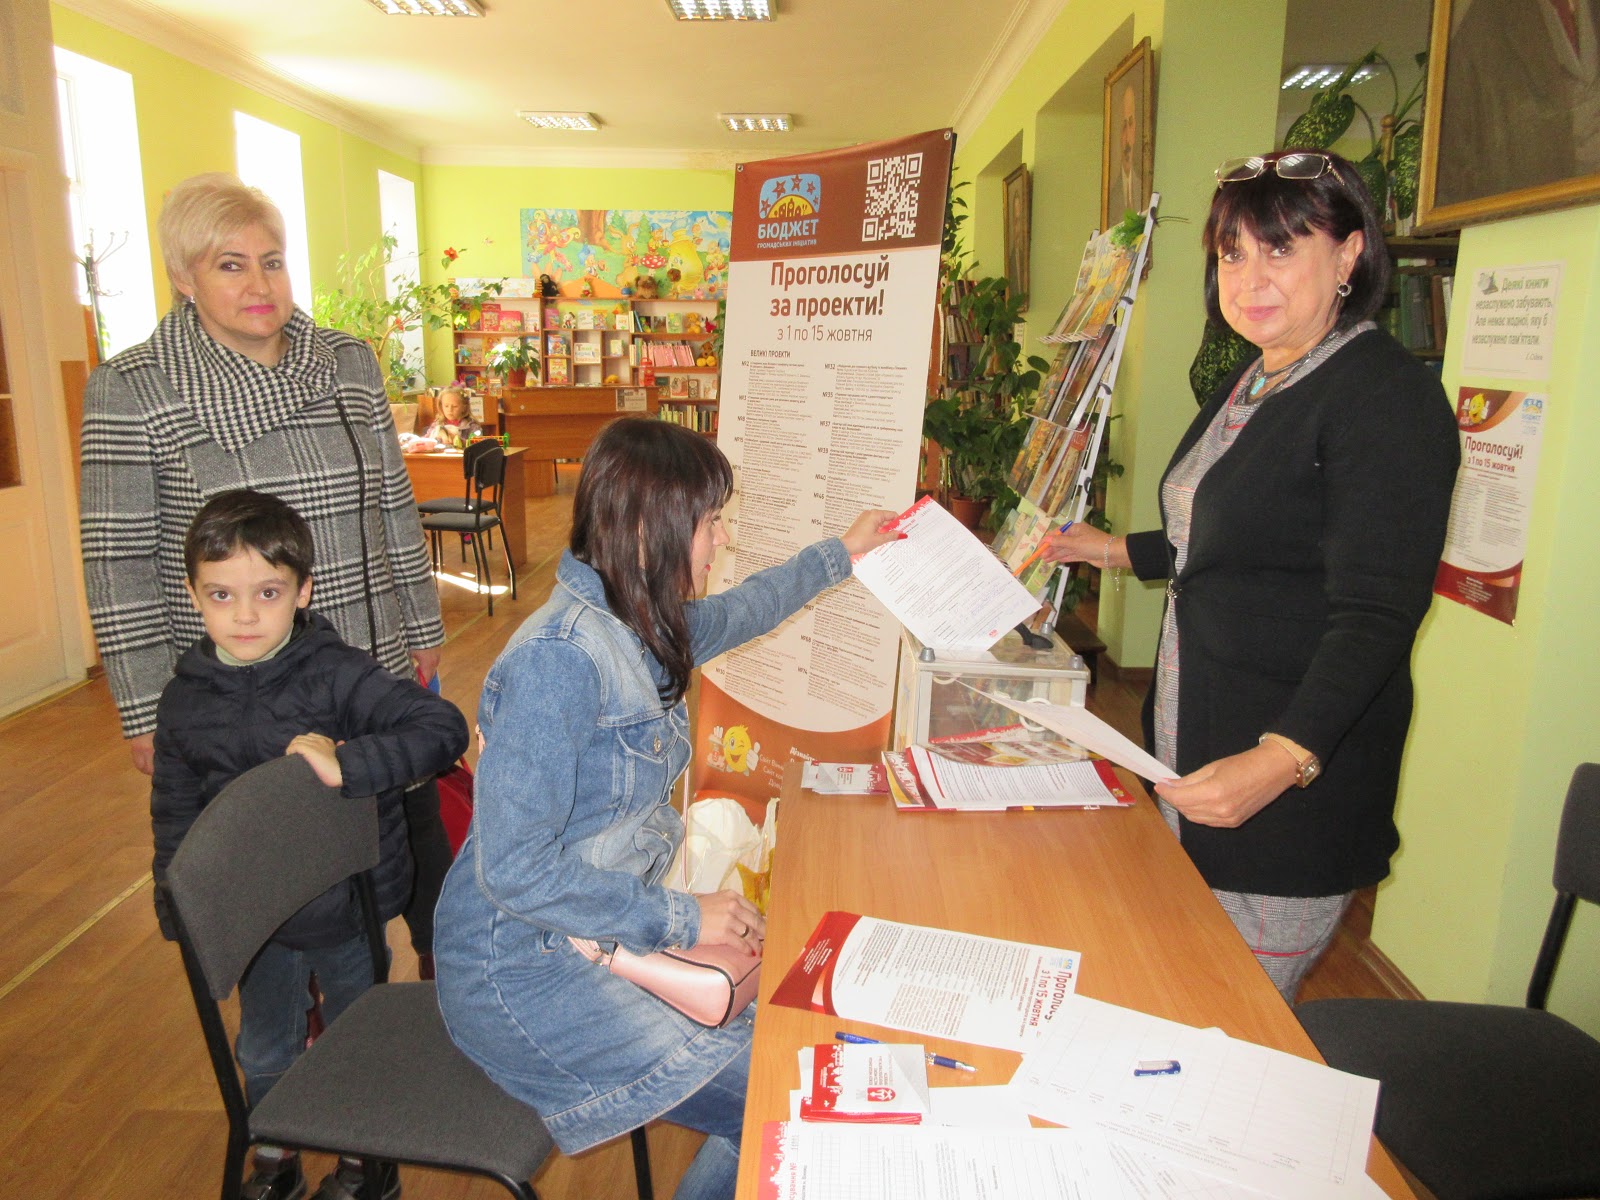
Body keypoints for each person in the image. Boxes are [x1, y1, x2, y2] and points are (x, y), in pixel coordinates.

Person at [432, 419, 900, 1200]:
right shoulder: (560, 661)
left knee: (789, 1066)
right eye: (711, 521)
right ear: (651, 532)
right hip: (520, 971)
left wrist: (844, 553)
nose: (721, 540)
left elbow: (749, 608)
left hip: (593, 936)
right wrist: (682, 917)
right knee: (790, 1103)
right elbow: (513, 872)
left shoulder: (640, 624)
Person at [1043, 149, 1460, 1001]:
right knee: (1182, 988)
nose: (1250, 278)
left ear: (1348, 255)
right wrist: (1113, 550)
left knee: (1231, 1014)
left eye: (1281, 248)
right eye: (1233, 253)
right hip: (1198, 748)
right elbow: (1237, 537)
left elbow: (1378, 613)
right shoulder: (1258, 375)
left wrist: (1280, 760)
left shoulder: (1382, 396)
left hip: (1283, 795)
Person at [78, 172, 454, 977]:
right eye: (231, 264)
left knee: (414, 859)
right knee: (295, 900)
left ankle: (442, 1006)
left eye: (272, 261)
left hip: (371, 670)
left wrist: (421, 627)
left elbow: (391, 501)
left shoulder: (346, 360)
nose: (260, 284)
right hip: (250, 698)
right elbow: (118, 559)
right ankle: (319, 1036)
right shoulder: (134, 389)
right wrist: (144, 710)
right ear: (183, 277)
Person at [151, 490, 469, 1200]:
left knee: (356, 1039)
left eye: (267, 593)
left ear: (303, 592)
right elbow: (175, 812)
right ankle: (275, 1156)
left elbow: (439, 728)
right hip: (256, 919)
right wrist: (183, 911)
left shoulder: (336, 672)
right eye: (221, 595)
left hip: (345, 913)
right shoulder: (184, 700)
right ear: (192, 595)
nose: (244, 616)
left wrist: (349, 764)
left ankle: (365, 1162)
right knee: (266, 1047)